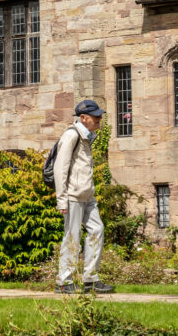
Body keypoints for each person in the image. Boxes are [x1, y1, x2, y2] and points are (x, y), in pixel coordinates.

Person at [53, 99, 114, 294]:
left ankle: (91, 279)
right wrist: (61, 199)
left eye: (100, 116)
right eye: (95, 116)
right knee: (72, 236)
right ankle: (64, 281)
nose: (99, 119)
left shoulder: (88, 136)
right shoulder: (72, 135)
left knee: (97, 229)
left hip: (87, 194)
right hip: (72, 195)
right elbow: (60, 168)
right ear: (83, 118)